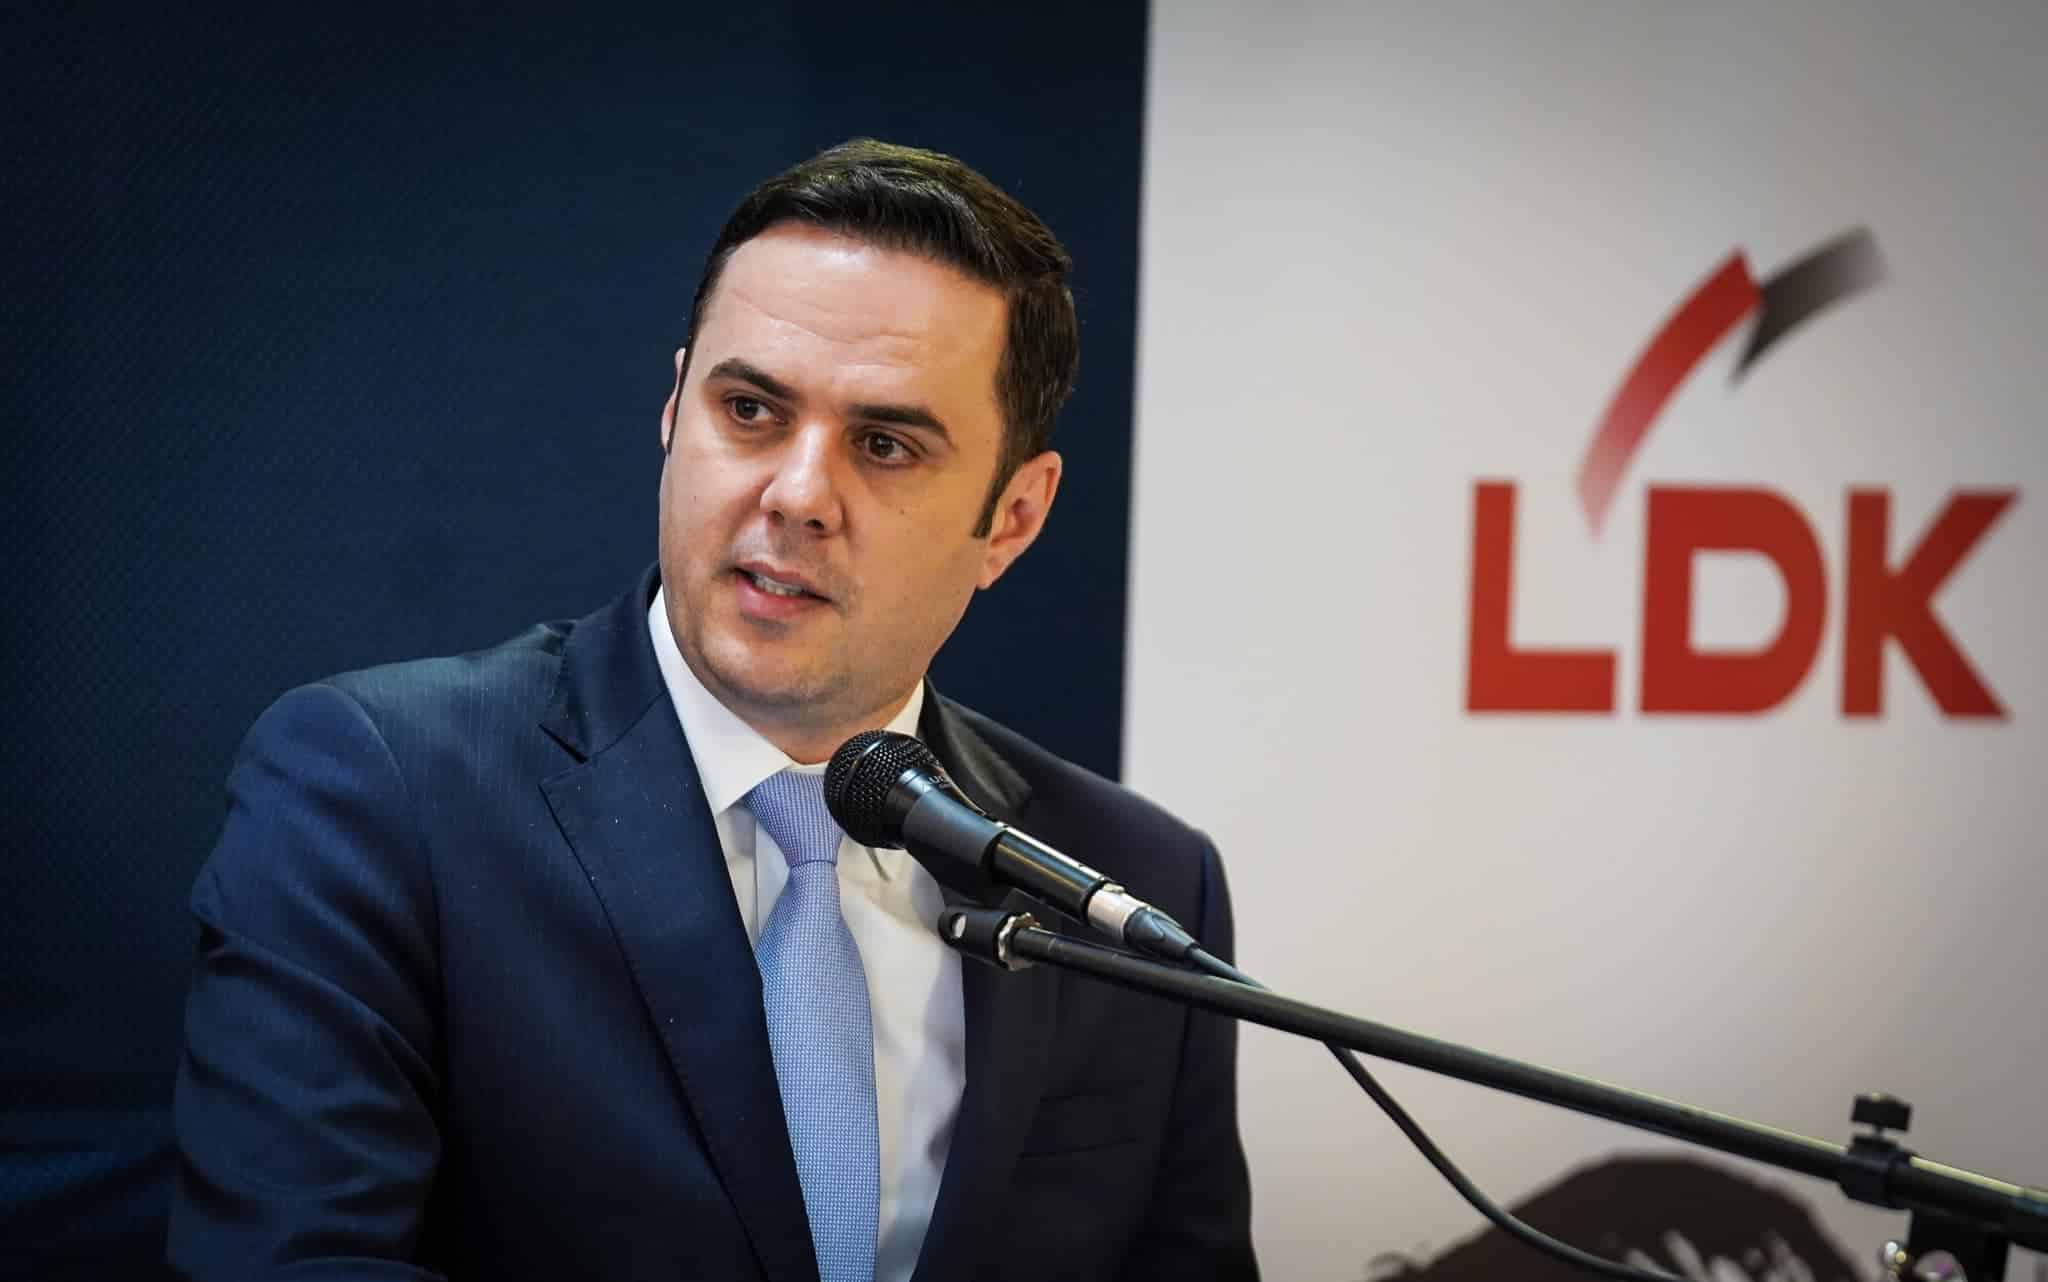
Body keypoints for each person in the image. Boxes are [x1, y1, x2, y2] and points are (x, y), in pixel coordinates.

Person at [169, 139, 1257, 1282]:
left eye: (884, 444)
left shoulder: (1137, 884)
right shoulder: (379, 791)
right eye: (748, 409)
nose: (796, 494)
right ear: (673, 409)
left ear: (1013, 518)